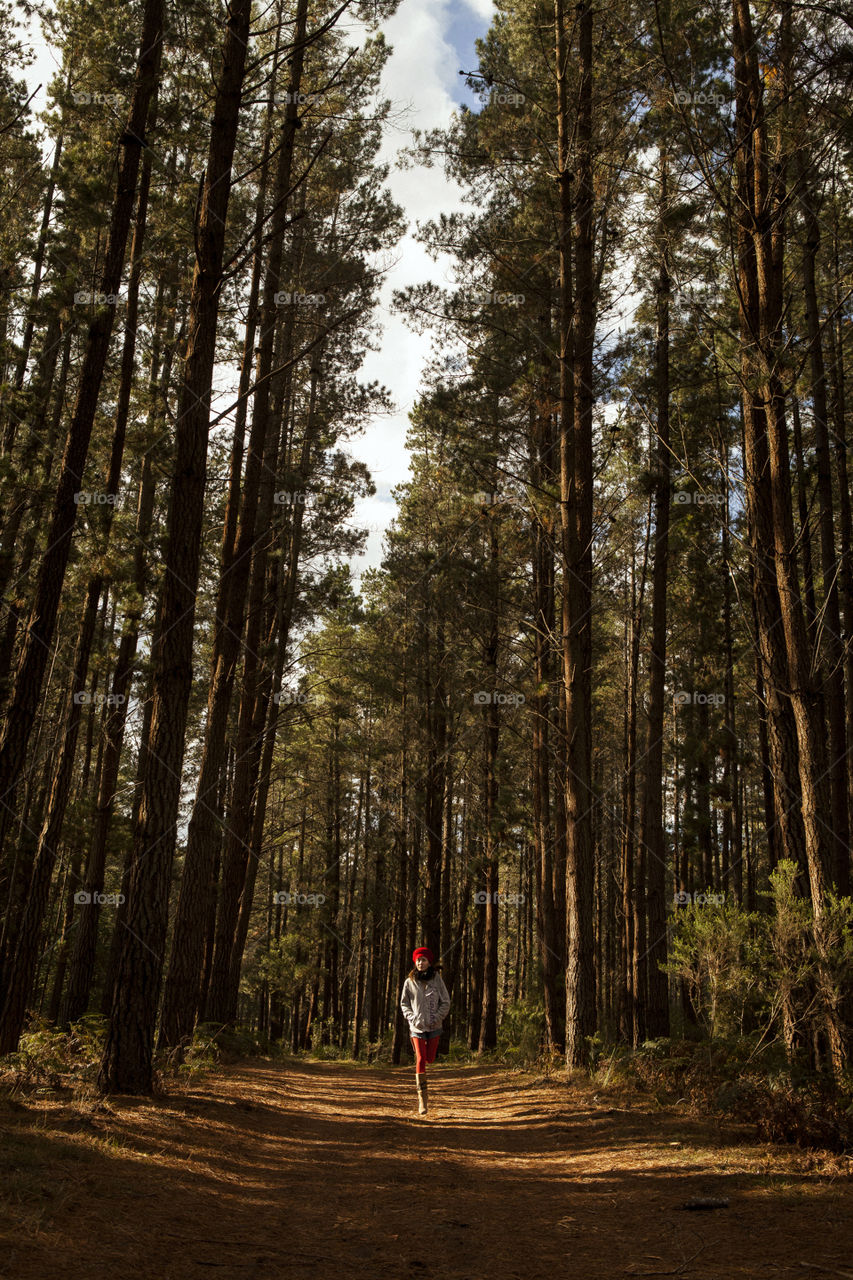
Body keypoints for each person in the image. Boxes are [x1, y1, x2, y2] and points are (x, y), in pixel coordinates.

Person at [400, 946, 450, 1116]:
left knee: (429, 1058)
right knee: (420, 1059)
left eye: (424, 960)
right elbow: (404, 1003)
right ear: (415, 962)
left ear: (429, 963)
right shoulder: (410, 982)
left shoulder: (437, 980)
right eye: (418, 960)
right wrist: (412, 1018)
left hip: (434, 1027)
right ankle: (423, 1099)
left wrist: (438, 1017)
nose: (420, 963)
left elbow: (446, 1002)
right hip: (417, 1028)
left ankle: (423, 1094)